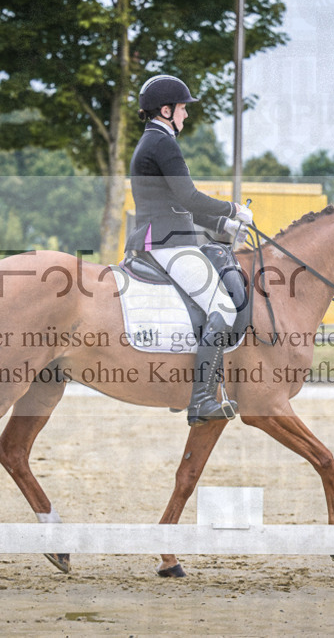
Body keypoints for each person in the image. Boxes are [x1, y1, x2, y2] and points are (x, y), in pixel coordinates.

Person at [125, 74, 253, 425]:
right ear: (166, 110)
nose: (185, 115)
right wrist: (234, 210)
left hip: (167, 236)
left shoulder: (154, 140)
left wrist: (224, 226)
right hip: (166, 243)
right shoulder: (163, 143)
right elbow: (189, 197)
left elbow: (181, 206)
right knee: (224, 307)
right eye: (182, 108)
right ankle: (201, 400)